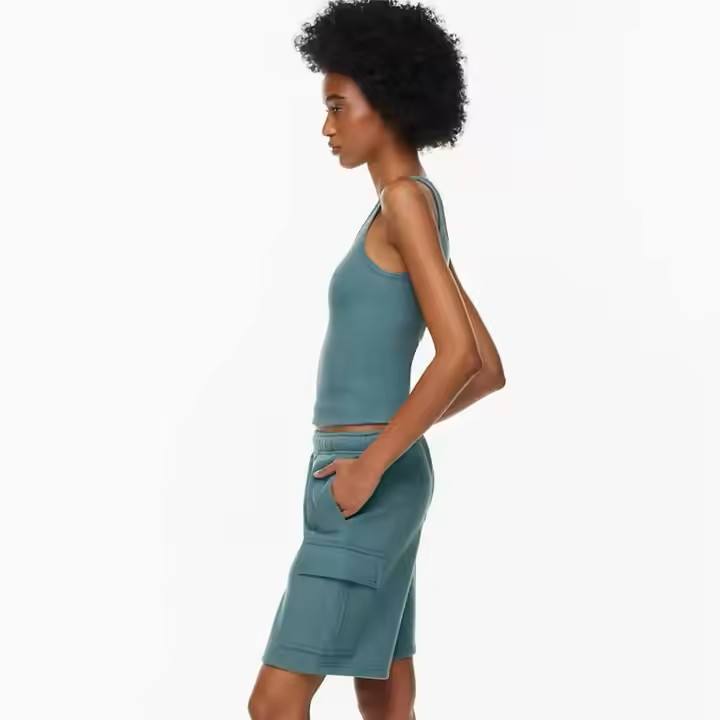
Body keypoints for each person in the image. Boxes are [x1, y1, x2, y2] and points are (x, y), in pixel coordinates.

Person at [248, 1, 505, 717]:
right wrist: (390, 451)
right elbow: (487, 367)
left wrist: (371, 463)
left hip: (364, 477)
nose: (326, 127)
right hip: (374, 471)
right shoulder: (413, 207)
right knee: (386, 695)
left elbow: (461, 358)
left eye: (338, 106)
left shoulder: (404, 205)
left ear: (386, 103)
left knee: (273, 703)